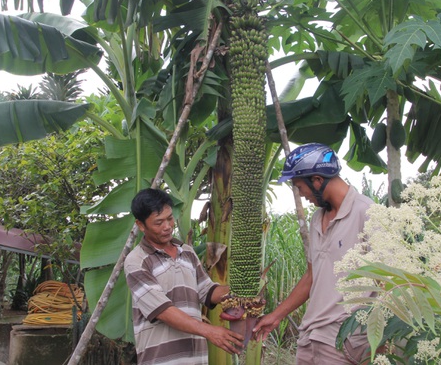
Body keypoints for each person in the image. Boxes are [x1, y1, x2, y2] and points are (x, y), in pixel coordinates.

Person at [252, 143, 375, 364]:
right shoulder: (317, 219)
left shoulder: (368, 213)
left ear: (317, 180)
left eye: (299, 187)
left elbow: (390, 283)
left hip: (344, 339)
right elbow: (312, 276)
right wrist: (275, 316)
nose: (301, 195)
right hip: (310, 336)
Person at [124, 188, 244, 364]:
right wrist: (210, 331)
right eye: (158, 223)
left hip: (196, 358)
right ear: (141, 225)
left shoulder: (186, 252)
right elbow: (163, 311)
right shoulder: (137, 261)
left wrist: (242, 290)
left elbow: (208, 291)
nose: (167, 227)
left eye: (170, 218)